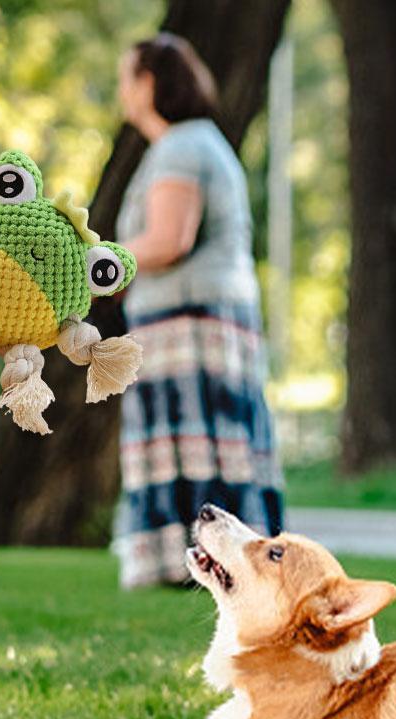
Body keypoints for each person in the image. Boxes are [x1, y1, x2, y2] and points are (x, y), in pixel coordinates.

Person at [114, 33, 284, 589]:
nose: (123, 90)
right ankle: (217, 567)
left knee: (197, 450)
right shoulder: (192, 144)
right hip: (189, 318)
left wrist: (96, 263)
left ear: (150, 83)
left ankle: (202, 567)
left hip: (191, 324)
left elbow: (168, 240)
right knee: (207, 449)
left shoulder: (183, 147)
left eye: (127, 77)